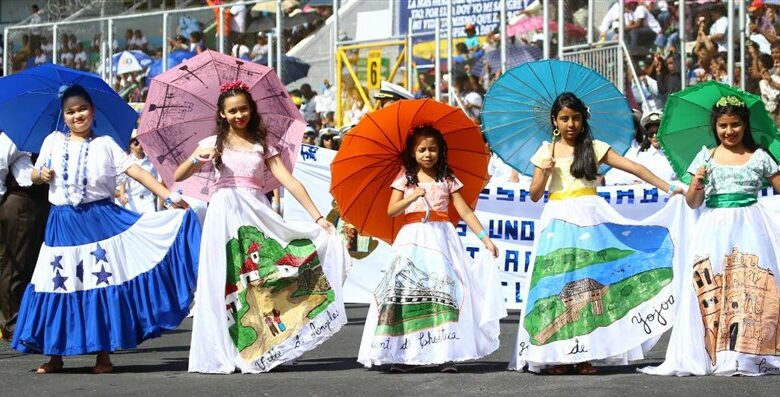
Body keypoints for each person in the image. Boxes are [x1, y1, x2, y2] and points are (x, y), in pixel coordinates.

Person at [11, 85, 200, 374]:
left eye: (82, 109)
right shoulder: (52, 141)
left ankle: (103, 356)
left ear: (93, 111)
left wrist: (169, 196)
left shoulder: (106, 145)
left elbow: (136, 171)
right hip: (62, 224)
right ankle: (55, 356)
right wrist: (42, 174)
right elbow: (34, 174)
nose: (77, 115)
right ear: (63, 116)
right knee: (58, 283)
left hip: (100, 222)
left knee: (100, 284)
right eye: (71, 111)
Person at [509, 92, 687, 375]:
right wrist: (543, 171)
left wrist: (669, 188)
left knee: (590, 278)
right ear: (554, 121)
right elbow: (534, 195)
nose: (571, 124)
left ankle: (585, 355)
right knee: (557, 285)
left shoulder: (594, 147)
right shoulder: (546, 151)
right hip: (557, 220)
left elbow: (636, 167)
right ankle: (557, 355)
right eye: (564, 118)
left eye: (576, 118)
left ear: (583, 119)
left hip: (591, 217)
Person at [183, 81, 350, 374]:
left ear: (251, 109)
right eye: (232, 111)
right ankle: (225, 349)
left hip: (255, 210)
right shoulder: (212, 144)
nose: (239, 115)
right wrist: (197, 159)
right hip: (222, 212)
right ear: (222, 114)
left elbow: (291, 181)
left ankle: (265, 346)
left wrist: (318, 217)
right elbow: (179, 174)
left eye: (243, 108)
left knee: (263, 275)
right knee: (225, 278)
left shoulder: (263, 145)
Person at [642, 95, 780, 376]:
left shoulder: (760, 156)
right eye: (723, 126)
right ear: (715, 127)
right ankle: (714, 352)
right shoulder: (705, 156)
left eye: (736, 125)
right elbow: (693, 202)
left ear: (745, 125)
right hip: (714, 225)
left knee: (748, 286)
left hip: (751, 225)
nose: (729, 131)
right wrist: (697, 183)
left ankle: (746, 353)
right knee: (713, 285)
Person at [357, 125, 504, 373]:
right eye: (422, 149)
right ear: (413, 153)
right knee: (402, 292)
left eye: (433, 149)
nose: (428, 154)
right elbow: (392, 210)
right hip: (412, 237)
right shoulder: (405, 178)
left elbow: (465, 211)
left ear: (440, 151)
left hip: (442, 238)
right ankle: (403, 354)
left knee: (445, 290)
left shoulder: (447, 179)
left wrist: (485, 238)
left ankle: (446, 353)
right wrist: (412, 197)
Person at [0, 133, 48, 341]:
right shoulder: (15, 132)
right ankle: (11, 323)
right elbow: (0, 165)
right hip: (20, 199)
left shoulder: (54, 135)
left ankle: (30, 319)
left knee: (36, 264)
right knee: (16, 265)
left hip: (44, 201)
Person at [117, 132, 159, 214]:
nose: (139, 144)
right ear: (130, 145)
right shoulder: (126, 161)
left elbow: (156, 180)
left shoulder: (151, 161)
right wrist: (122, 195)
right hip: (132, 200)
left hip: (148, 199)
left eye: (141, 141)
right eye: (135, 142)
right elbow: (122, 181)